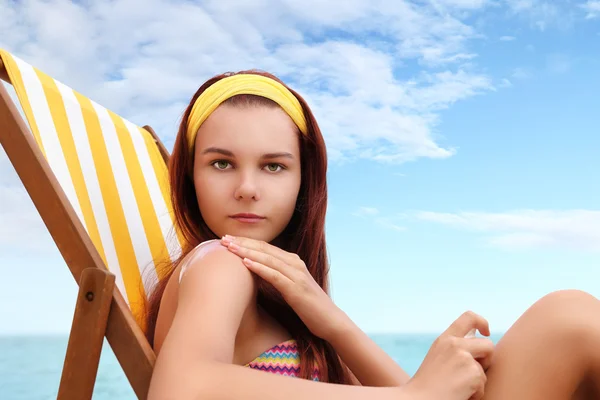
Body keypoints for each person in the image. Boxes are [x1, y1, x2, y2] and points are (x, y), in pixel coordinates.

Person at [145, 70, 600, 400]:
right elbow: (181, 388)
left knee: (570, 319)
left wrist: (331, 321)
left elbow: (411, 392)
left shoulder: (276, 295)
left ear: (305, 183)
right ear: (190, 178)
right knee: (570, 319)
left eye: (274, 166)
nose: (247, 189)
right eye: (221, 163)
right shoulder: (218, 263)